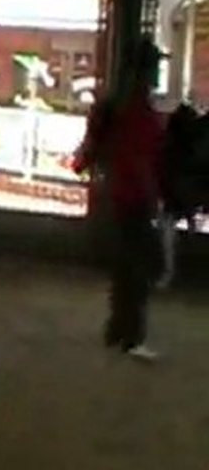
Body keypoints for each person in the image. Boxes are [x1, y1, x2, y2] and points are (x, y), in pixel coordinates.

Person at [72, 39, 167, 361]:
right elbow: (140, 159)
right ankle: (131, 337)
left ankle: (116, 330)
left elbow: (90, 149)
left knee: (126, 267)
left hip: (113, 195)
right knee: (141, 268)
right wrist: (153, 195)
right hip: (134, 196)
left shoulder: (113, 105)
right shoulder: (138, 111)